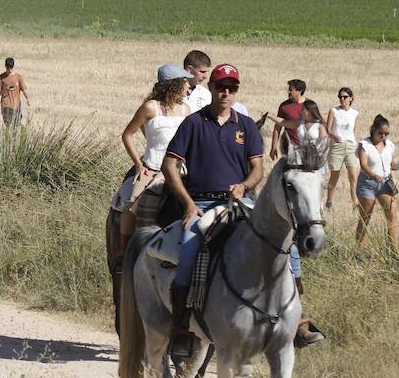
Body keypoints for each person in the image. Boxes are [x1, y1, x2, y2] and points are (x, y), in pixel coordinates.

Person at [161, 63, 267, 359]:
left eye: (232, 87)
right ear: (211, 89)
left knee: (283, 244)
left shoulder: (245, 126)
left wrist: (244, 186)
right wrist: (188, 204)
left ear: (237, 91)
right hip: (203, 203)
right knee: (188, 250)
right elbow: (169, 166)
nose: (226, 92)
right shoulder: (194, 123)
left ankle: (292, 318)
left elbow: (258, 168)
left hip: (238, 203)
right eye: (221, 86)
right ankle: (181, 328)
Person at [113, 64, 193, 254]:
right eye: (185, 82)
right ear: (174, 84)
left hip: (180, 170)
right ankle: (125, 255)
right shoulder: (150, 107)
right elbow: (127, 135)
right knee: (131, 205)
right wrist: (139, 165)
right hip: (153, 168)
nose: (189, 87)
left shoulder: (186, 110)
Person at [356, 114, 399, 249]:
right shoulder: (365, 145)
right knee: (365, 218)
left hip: (385, 184)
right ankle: (359, 251)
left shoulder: (390, 145)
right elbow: (363, 164)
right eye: (380, 133)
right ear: (373, 130)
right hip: (368, 183)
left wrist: (398, 165)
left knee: (392, 216)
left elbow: (391, 164)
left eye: (386, 133)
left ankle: (394, 252)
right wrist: (373, 175)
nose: (383, 136)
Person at [326, 87, 360, 211]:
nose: (342, 99)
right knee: (335, 175)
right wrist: (334, 136)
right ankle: (329, 202)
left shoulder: (355, 113)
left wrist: (356, 144)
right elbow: (328, 129)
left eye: (345, 97)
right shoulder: (334, 111)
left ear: (351, 98)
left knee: (353, 176)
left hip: (350, 146)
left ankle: (355, 204)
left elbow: (353, 130)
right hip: (337, 146)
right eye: (340, 96)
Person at [267, 79, 309, 159]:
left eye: (291, 90)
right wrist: (274, 147)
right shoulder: (284, 106)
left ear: (299, 91)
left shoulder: (309, 105)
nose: (288, 92)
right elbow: (278, 127)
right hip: (289, 147)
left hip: (306, 148)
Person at [0, 58, 29, 128]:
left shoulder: (18, 77)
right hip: (6, 105)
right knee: (8, 126)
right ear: (5, 66)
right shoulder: (0, 78)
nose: (9, 70)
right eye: (7, 68)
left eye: (11, 68)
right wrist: (4, 90)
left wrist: (27, 99)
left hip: (16, 105)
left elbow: (24, 90)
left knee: (16, 126)